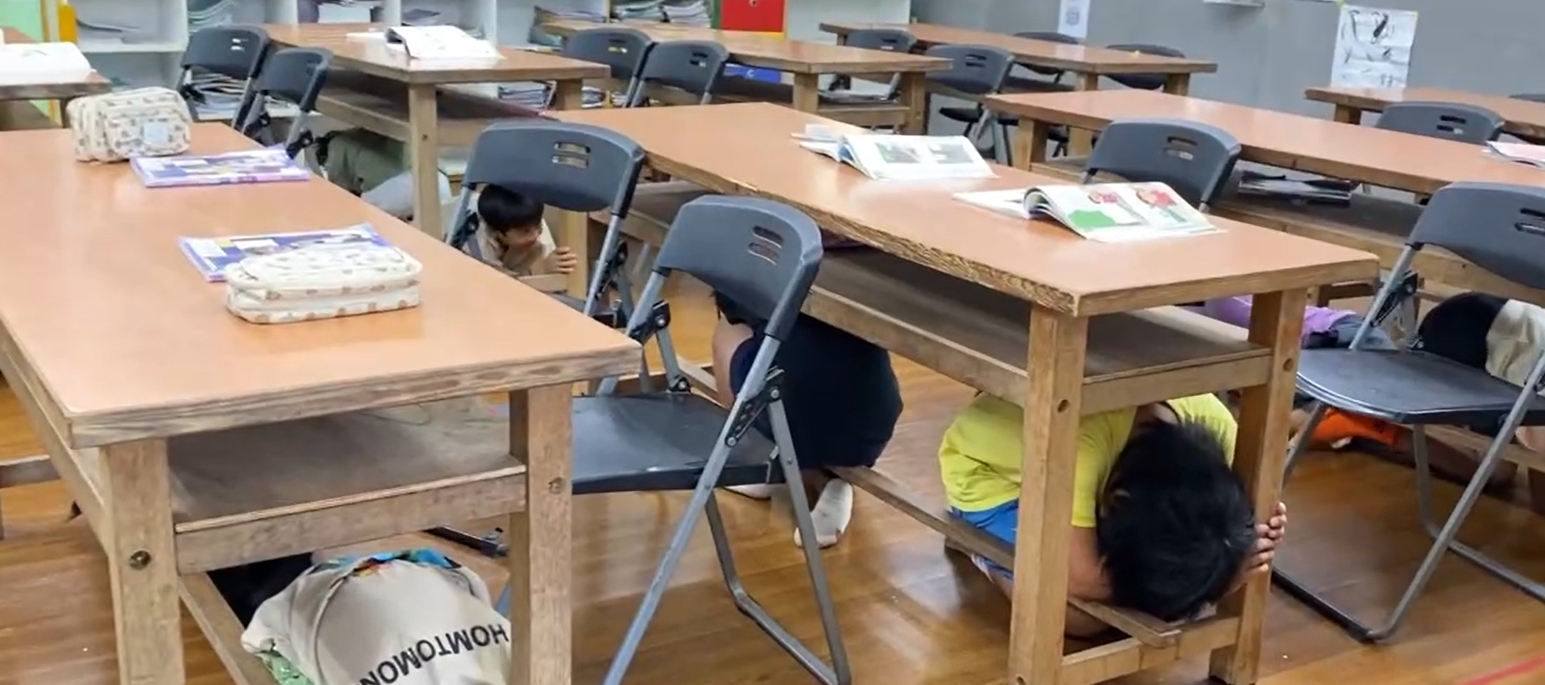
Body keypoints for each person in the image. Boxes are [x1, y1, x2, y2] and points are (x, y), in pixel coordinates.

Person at [939, 392, 1286, 634]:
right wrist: (1215, 584)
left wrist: (1238, 547)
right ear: (1117, 499)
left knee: (1176, 572)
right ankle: (980, 551)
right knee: (1077, 620)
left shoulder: (1217, 426)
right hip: (993, 476)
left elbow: (1240, 519)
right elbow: (1081, 578)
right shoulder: (1080, 447)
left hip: (1072, 465)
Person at [712, 292, 904, 548]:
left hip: (792, 419)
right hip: (872, 428)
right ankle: (834, 479)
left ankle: (755, 459)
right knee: (838, 347)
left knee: (730, 327)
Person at [317, 129, 452, 221]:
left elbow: (341, 195)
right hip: (438, 181)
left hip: (400, 188)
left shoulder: (335, 147)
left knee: (353, 217)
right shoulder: (365, 133)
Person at [467, 184, 576, 278]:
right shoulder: (475, 240)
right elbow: (494, 282)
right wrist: (541, 269)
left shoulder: (531, 219)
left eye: (538, 226)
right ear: (499, 234)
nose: (535, 235)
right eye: (525, 232)